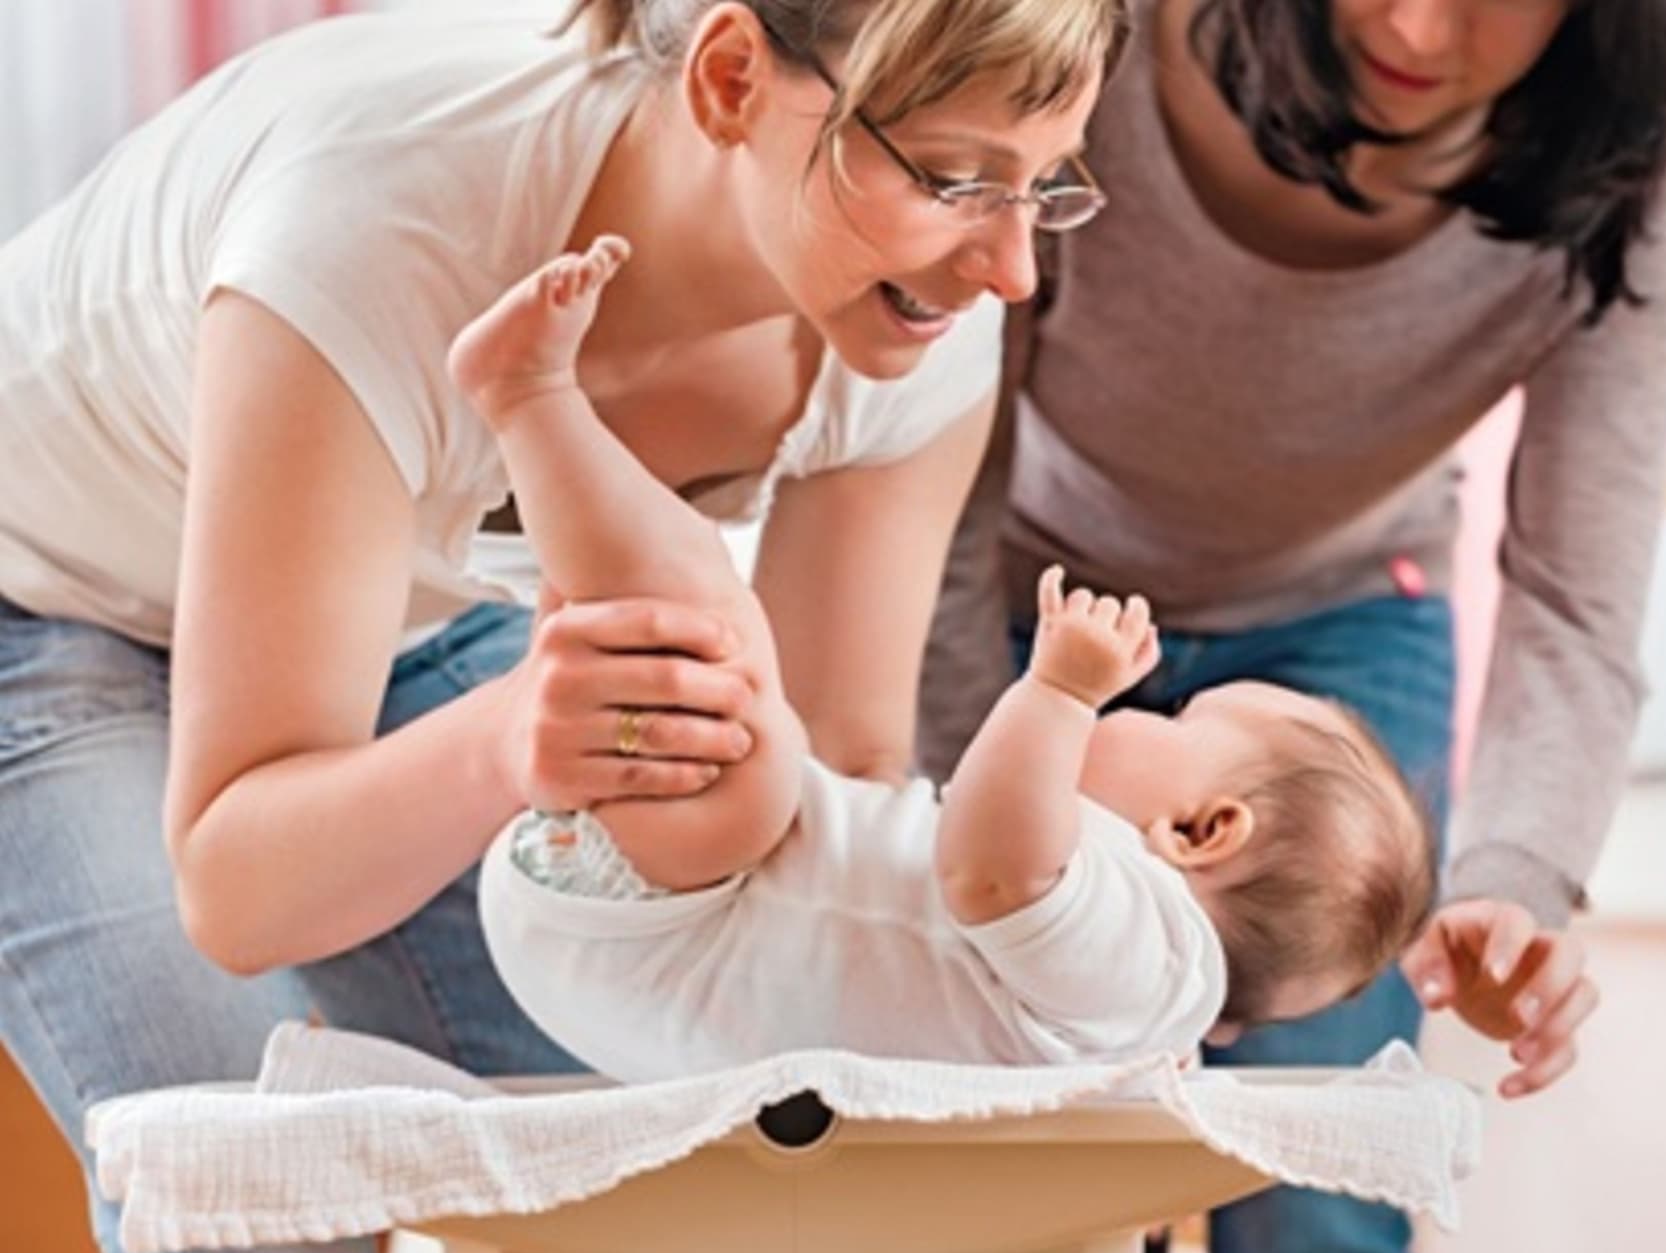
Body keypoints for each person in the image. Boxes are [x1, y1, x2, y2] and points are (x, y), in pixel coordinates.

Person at [0, 0, 1126, 1253]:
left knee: (646, 1163)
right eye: (953, 177)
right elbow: (237, 886)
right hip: (41, 604)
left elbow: (835, 780)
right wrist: (501, 742)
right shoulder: (384, 217)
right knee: (259, 1207)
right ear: (731, 76)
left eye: (1046, 183)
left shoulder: (922, 312)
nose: (1011, 269)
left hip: (416, 617)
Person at [917, 0, 1666, 1253]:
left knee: (1313, 1184)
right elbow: (940, 487)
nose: (1418, 27)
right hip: (1037, 618)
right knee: (1010, 1143)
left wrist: (1512, 884)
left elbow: (1575, 600)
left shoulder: (1615, 182)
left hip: (1339, 630)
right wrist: (976, 785)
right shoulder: (1098, 55)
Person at [455, 234, 1435, 1076]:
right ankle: (571, 516)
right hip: (653, 939)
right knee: (696, 669)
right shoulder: (1130, 1005)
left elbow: (995, 870)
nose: (1149, 707)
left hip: (664, 925)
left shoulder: (1146, 947)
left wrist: (1060, 691)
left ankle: (528, 398)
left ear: (1201, 828)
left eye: (1180, 720)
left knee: (726, 662)